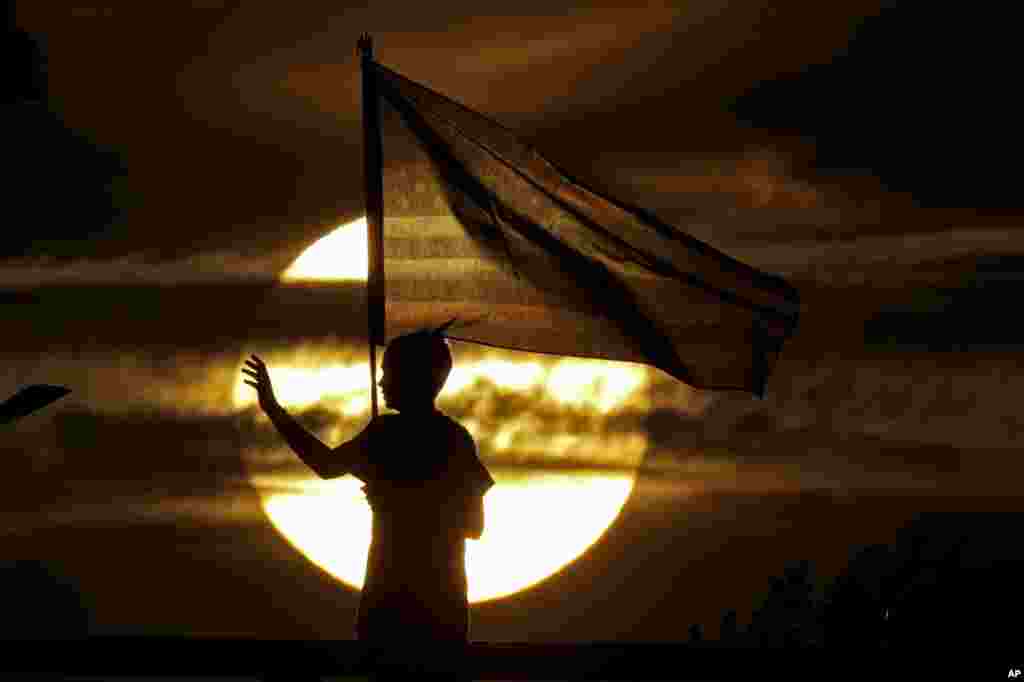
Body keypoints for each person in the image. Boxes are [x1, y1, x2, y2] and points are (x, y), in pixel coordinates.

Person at [243, 323, 494, 679]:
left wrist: (273, 409)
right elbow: (474, 526)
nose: (380, 383)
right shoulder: (456, 438)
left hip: (392, 601)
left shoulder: (386, 434)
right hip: (443, 604)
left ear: (410, 377)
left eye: (386, 373)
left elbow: (325, 465)